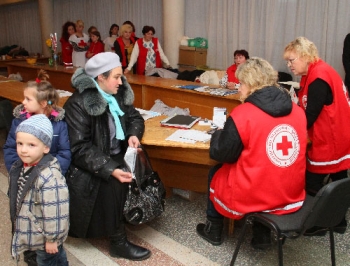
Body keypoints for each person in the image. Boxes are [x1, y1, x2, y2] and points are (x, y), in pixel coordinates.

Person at [196, 57, 307, 250]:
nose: (238, 88)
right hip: (289, 189)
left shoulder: (243, 113)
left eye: (241, 83)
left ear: (251, 83)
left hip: (256, 191)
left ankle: (213, 229)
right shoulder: (298, 111)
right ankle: (261, 234)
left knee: (216, 172)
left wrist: (217, 135)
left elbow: (222, 154)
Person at [63, 52, 151, 261]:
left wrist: (132, 134)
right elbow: (79, 148)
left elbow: (135, 118)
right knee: (114, 183)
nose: (121, 82)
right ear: (100, 78)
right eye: (117, 77)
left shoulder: (116, 94)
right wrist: (109, 168)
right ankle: (118, 242)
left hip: (115, 153)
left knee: (142, 166)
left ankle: (132, 213)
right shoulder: (78, 104)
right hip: (91, 165)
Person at [284, 36, 350, 235]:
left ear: (305, 56)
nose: (289, 65)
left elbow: (309, 115)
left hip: (330, 137)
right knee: (339, 178)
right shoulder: (314, 71)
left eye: (292, 60)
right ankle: (338, 221)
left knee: (313, 182)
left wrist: (289, 127)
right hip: (338, 133)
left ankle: (317, 224)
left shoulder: (319, 77)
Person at [8, 114, 69, 266]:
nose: (23, 150)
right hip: (34, 235)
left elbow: (56, 212)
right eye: (20, 143)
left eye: (31, 145)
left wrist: (52, 239)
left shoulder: (49, 177)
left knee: (49, 261)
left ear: (46, 147)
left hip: (44, 241)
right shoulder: (20, 167)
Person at [4, 69, 71, 176]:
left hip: (49, 177)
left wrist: (53, 174)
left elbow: (64, 153)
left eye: (28, 99)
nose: (23, 102)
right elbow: (10, 148)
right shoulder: (19, 122)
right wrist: (17, 173)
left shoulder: (59, 124)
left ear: (43, 103)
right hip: (23, 176)